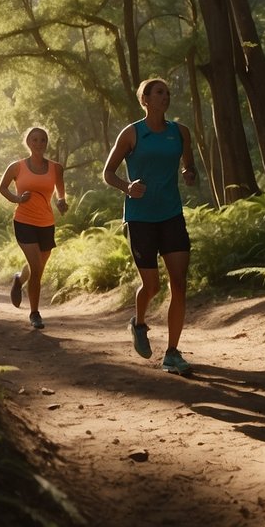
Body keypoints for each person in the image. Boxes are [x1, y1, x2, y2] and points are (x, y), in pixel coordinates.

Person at [103, 77, 198, 376]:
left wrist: (189, 172)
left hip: (171, 215)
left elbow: (188, 165)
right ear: (145, 99)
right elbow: (108, 173)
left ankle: (172, 353)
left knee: (179, 283)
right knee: (153, 285)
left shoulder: (180, 132)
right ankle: (139, 322)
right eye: (159, 93)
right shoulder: (132, 133)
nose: (165, 97)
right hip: (140, 218)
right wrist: (127, 187)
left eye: (167, 93)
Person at [0, 127, 69, 330]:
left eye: (43, 140)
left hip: (46, 223)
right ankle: (35, 313)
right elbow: (3, 187)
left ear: (46, 143)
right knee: (37, 268)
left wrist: (61, 201)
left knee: (37, 268)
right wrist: (17, 199)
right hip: (24, 221)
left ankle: (19, 279)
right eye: (35, 140)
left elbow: (60, 190)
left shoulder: (56, 168)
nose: (39, 144)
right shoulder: (17, 167)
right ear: (28, 143)